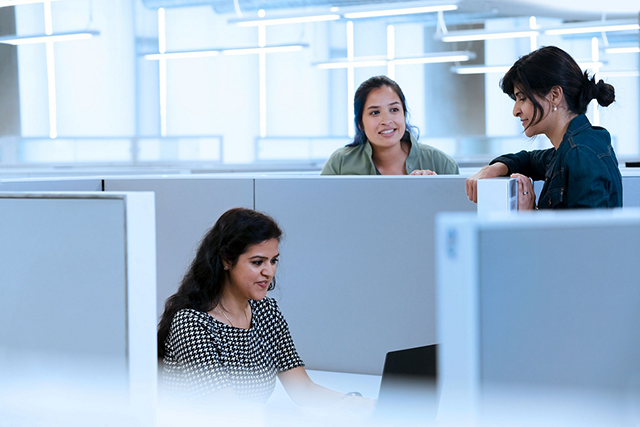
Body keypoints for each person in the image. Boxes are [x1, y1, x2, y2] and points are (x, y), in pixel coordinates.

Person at [157, 208, 372, 407]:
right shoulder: (191, 323)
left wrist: (361, 404)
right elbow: (226, 412)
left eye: (273, 261)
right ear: (226, 260)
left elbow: (304, 390)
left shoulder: (265, 311)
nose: (269, 272)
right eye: (258, 262)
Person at [465, 46, 622, 209]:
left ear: (554, 95)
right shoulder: (570, 147)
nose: (515, 111)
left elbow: (585, 234)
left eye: (522, 98)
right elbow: (529, 161)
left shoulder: (579, 154)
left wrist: (531, 216)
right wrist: (496, 168)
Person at [321, 75, 459, 176]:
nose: (386, 120)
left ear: (404, 115)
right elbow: (319, 210)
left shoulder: (441, 164)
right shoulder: (340, 164)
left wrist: (434, 190)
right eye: (375, 112)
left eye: (394, 110)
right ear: (360, 123)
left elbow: (458, 212)